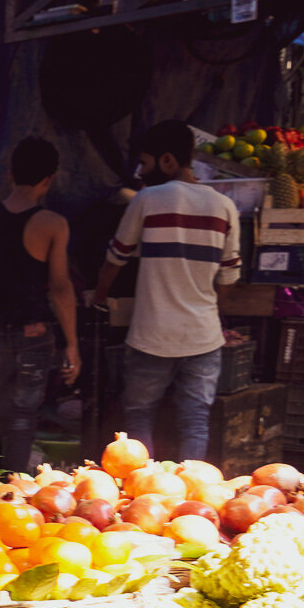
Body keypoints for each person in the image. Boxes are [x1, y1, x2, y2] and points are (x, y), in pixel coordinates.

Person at [90, 119, 240, 462]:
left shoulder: (148, 199)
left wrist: (99, 298)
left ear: (168, 160)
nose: (141, 172)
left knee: (140, 417)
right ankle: (192, 495)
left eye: (145, 162)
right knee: (195, 422)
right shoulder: (225, 206)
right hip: (203, 337)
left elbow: (115, 259)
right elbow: (228, 279)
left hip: (151, 335)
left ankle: (144, 489)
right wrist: (211, 313)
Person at [0, 137, 79, 473]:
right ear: (49, 179)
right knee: (22, 417)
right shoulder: (53, 224)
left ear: (9, 173)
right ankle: (16, 493)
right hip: (35, 335)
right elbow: (61, 288)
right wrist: (72, 345)